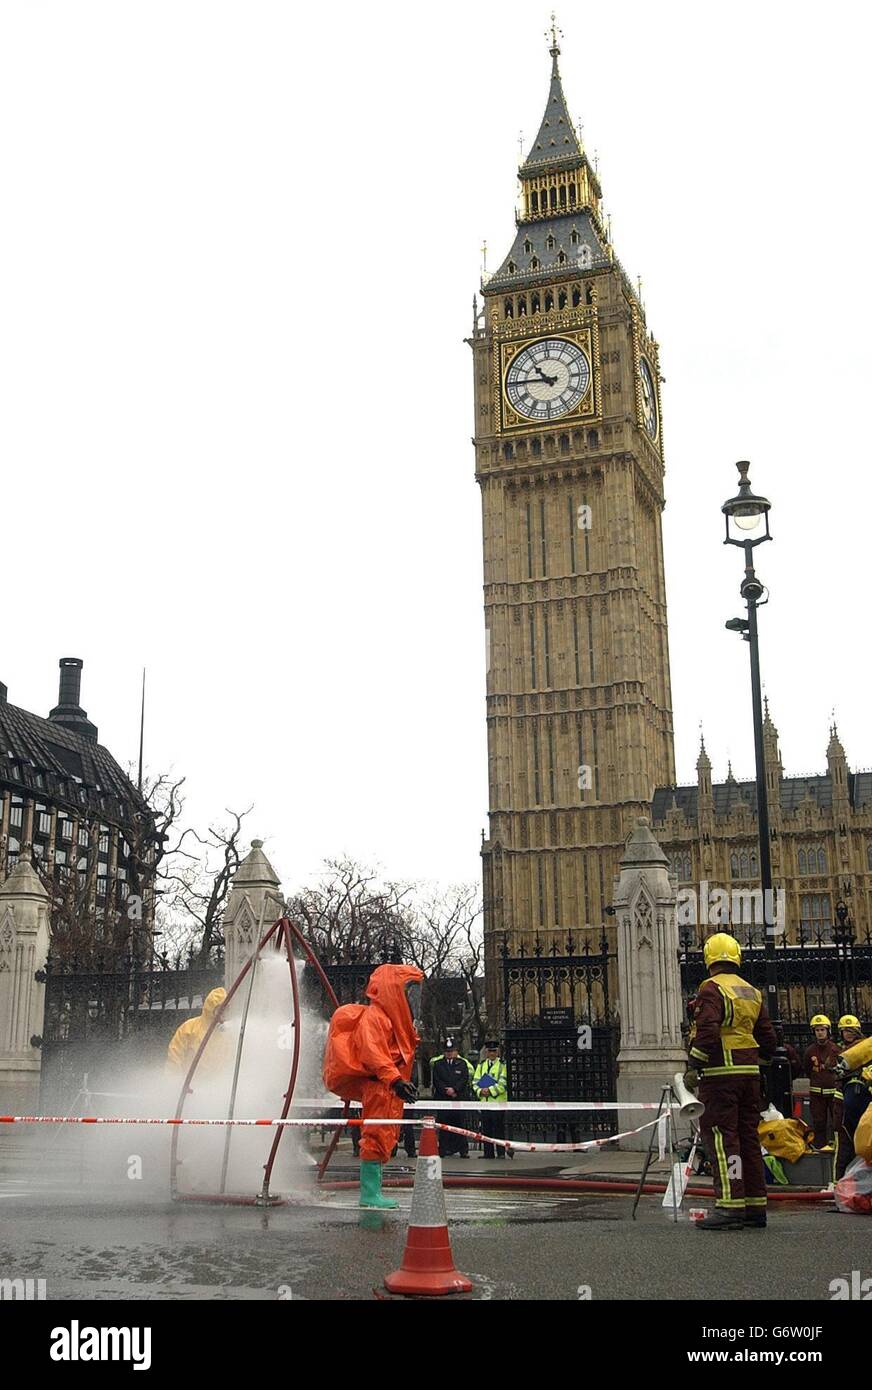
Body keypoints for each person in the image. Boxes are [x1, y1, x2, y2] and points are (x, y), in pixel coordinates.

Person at [686, 932, 777, 1230]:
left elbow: (709, 1031)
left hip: (720, 1077)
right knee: (749, 1139)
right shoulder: (751, 991)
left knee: (725, 1141)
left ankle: (730, 1205)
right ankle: (755, 1206)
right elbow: (768, 1038)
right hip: (749, 1077)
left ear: (709, 958)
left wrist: (693, 1064)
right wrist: (755, 1061)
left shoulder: (711, 989)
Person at [322, 963, 423, 1209]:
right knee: (376, 1134)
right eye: (408, 990)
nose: (412, 998)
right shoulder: (376, 1018)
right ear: (393, 990)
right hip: (380, 1085)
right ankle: (369, 1193)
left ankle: (374, 1190)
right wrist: (396, 1080)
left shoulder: (393, 1020)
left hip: (387, 1085)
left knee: (384, 1134)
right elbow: (373, 1053)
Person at [834, 1016, 871, 1182]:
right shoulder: (843, 1051)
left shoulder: (863, 1048)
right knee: (846, 1146)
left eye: (850, 1031)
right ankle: (842, 1183)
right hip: (846, 1102)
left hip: (856, 1099)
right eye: (845, 1031)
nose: (847, 1034)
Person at [166, 987, 229, 1076]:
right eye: (220, 1010)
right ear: (211, 1009)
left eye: (226, 1010)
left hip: (217, 1087)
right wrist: (174, 1081)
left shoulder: (227, 1035)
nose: (223, 1015)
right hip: (190, 1085)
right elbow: (174, 1057)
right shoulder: (189, 1029)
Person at [430, 1037, 474, 1158]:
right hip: (443, 1099)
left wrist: (455, 1090)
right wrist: (446, 1091)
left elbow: (464, 1079)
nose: (449, 1054)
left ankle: (463, 1150)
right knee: (444, 1126)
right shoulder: (438, 1064)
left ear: (456, 1052)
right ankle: (444, 1149)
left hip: (458, 1098)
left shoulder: (462, 1064)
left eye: (452, 1051)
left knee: (459, 1125)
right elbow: (437, 1081)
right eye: (447, 1051)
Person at [803, 1014, 840, 1149]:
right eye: (817, 1030)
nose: (820, 1033)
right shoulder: (809, 1051)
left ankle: (838, 1146)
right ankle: (820, 1147)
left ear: (828, 1031)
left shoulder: (835, 1049)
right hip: (816, 1094)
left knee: (837, 1121)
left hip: (833, 1093)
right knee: (819, 1122)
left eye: (822, 1030)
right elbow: (807, 1068)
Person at [473, 1039, 510, 1160]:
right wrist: (480, 1091)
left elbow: (503, 1083)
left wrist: (490, 1091)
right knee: (486, 1129)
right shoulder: (481, 1065)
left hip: (498, 1103)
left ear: (497, 1052)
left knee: (498, 1129)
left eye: (494, 1051)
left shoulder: (502, 1065)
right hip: (485, 1103)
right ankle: (488, 1153)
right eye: (490, 1051)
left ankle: (500, 1153)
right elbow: (475, 1082)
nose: (492, 1054)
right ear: (487, 1052)